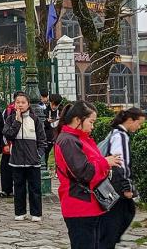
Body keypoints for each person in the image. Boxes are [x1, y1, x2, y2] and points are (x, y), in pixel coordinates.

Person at [54, 101, 122, 249]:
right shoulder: (68, 141)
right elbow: (84, 172)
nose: (93, 126)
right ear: (78, 120)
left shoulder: (80, 138)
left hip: (92, 204)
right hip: (80, 206)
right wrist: (105, 163)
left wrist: (105, 165)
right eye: (91, 122)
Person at [99, 108, 146, 249]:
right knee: (119, 218)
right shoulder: (121, 136)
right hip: (117, 185)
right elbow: (120, 162)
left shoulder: (114, 133)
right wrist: (126, 187)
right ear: (130, 120)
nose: (139, 127)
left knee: (120, 215)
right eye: (139, 123)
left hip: (113, 184)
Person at [2, 92, 47, 222]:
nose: (20, 105)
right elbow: (8, 135)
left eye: (23, 102)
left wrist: (38, 154)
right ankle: (20, 212)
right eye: (18, 102)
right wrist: (17, 121)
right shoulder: (10, 119)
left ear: (28, 104)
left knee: (35, 189)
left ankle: (36, 213)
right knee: (19, 188)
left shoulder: (35, 119)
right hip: (16, 160)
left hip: (33, 161)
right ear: (14, 104)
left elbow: (42, 140)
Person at [43, 93, 63, 168]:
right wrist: (47, 121)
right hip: (48, 136)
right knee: (45, 153)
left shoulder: (62, 111)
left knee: (59, 155)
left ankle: (58, 171)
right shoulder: (45, 111)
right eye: (53, 104)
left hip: (59, 136)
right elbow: (42, 125)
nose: (54, 107)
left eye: (56, 105)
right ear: (50, 102)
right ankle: (45, 168)